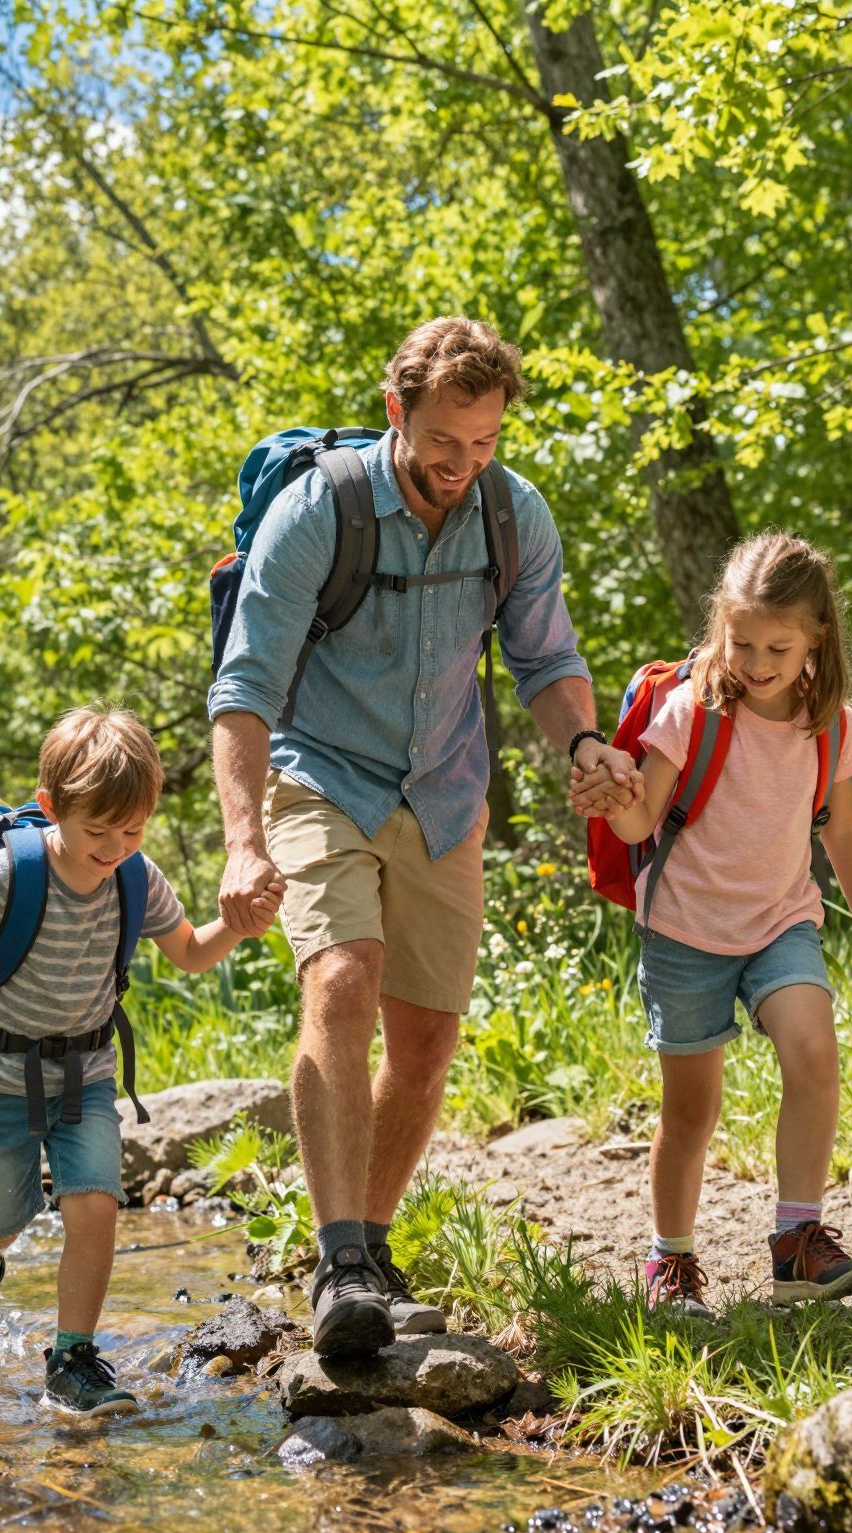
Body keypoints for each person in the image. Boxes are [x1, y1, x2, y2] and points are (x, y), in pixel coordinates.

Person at [209, 317, 642, 1357]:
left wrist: (581, 741)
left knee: (427, 1038)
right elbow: (245, 686)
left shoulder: (511, 512)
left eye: (484, 443)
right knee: (340, 979)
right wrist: (240, 840)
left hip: (446, 792)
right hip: (321, 775)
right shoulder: (322, 508)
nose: (463, 465)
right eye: (445, 443)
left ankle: (374, 1249)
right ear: (396, 409)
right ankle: (338, 1258)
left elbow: (545, 658)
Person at [0, 707, 278, 1414]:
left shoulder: (137, 877)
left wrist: (238, 925)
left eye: (132, 831)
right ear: (51, 809)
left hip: (85, 1074)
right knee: (0, 1218)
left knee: (96, 1205)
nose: (115, 848)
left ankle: (71, 1359)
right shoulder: (11, 874)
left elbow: (190, 951)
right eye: (98, 831)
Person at [578, 532, 852, 1315]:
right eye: (741, 641)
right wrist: (615, 802)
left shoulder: (830, 722)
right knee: (691, 1110)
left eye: (778, 647)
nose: (756, 662)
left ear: (818, 634)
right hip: (684, 931)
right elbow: (643, 815)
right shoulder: (691, 711)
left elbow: (843, 831)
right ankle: (672, 1259)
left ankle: (796, 1242)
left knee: (814, 1048)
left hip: (781, 921)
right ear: (722, 626)